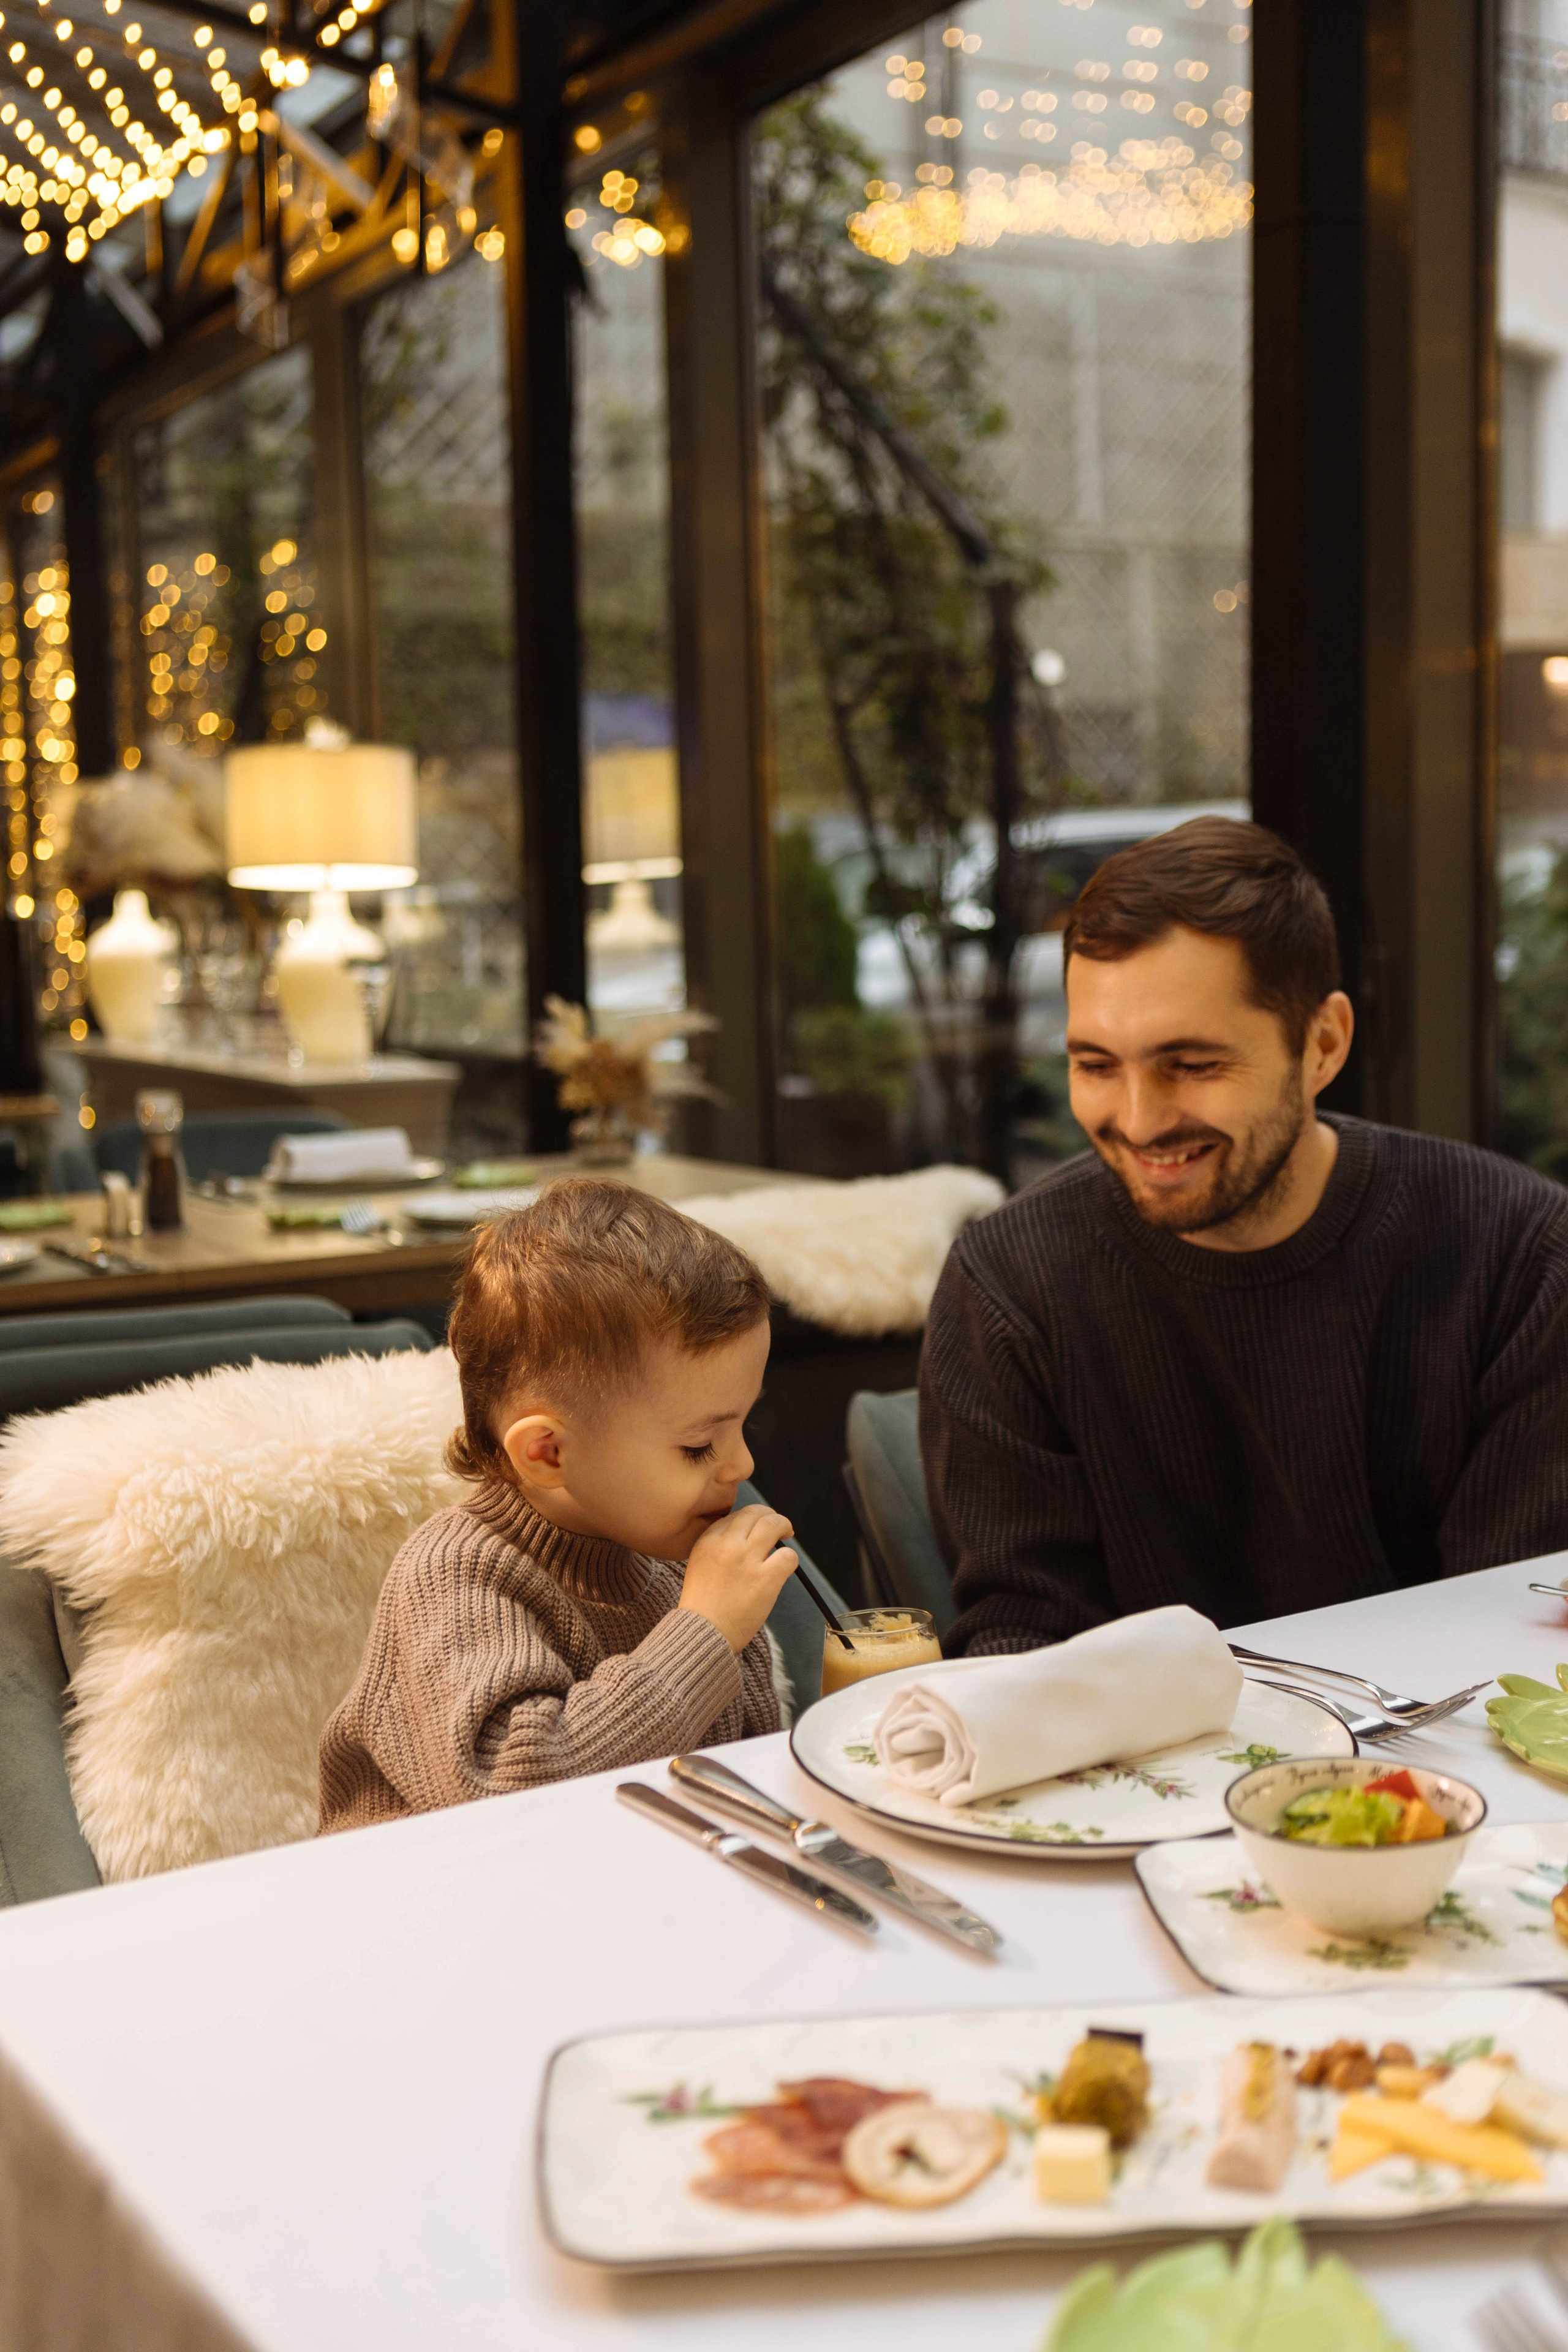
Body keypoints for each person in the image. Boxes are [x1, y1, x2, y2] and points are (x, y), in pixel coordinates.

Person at [922, 815, 1568, 1657]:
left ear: (1323, 1043)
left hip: (1442, 1776)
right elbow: (1022, 1650)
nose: (1139, 1120)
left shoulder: (1519, 1256)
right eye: (1095, 1065)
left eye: (1192, 1065)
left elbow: (1515, 1640)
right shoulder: (1009, 1287)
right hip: (1139, 1780)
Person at [319, 1180, 796, 1831]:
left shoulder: (679, 1561)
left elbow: (750, 1784)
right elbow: (513, 1790)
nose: (741, 1466)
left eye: (743, 1425)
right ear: (547, 1452)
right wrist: (705, 1636)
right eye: (698, 1445)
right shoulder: (457, 1575)